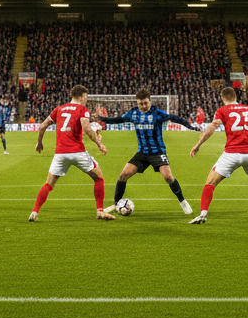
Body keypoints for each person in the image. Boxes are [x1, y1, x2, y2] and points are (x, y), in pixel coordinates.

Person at [188, 86, 248, 225]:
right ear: (235, 96)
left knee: (210, 182)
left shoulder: (222, 110)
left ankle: (203, 214)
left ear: (223, 98)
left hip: (232, 153)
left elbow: (213, 126)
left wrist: (198, 145)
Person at [97, 88, 199, 215]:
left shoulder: (157, 113)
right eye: (141, 104)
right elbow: (118, 120)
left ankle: (182, 201)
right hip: (142, 153)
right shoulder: (133, 113)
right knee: (123, 175)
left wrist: (190, 126)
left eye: (146, 103)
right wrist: (100, 118)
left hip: (158, 152)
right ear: (137, 103)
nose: (144, 106)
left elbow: (174, 118)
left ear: (150, 102)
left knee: (168, 177)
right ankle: (117, 203)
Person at [30, 85, 115, 222]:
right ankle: (100, 211)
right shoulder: (82, 110)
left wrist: (39, 143)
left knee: (49, 184)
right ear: (81, 96)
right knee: (98, 177)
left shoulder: (58, 109)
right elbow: (87, 128)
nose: (86, 100)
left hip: (60, 154)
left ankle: (34, 212)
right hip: (78, 152)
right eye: (86, 97)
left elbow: (42, 126)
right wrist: (99, 143)